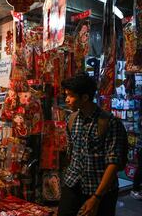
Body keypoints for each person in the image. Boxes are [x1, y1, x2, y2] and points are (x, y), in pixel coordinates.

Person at [58, 73, 127, 216]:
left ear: (84, 97)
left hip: (100, 191)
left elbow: (113, 163)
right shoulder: (71, 119)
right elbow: (72, 154)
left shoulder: (109, 123)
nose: (67, 100)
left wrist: (96, 197)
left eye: (70, 96)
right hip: (72, 185)